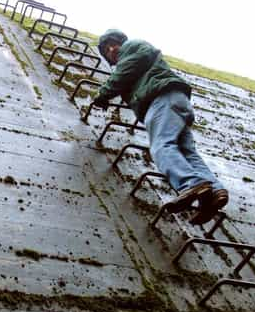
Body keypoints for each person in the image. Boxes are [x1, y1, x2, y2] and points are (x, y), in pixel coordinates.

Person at [91, 29, 228, 224]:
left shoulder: (132, 47)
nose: (112, 49)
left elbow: (124, 73)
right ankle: (214, 192)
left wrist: (102, 95)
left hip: (161, 99)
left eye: (114, 43)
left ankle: (191, 184)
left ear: (122, 42)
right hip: (175, 100)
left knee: (161, 145)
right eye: (106, 49)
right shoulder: (132, 56)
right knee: (187, 152)